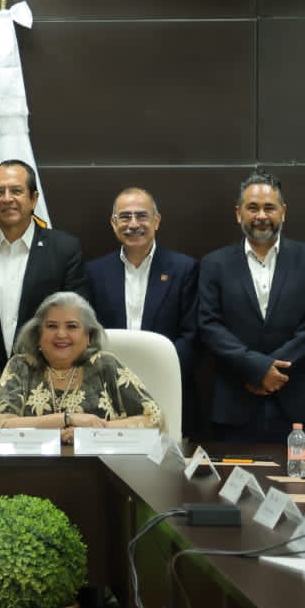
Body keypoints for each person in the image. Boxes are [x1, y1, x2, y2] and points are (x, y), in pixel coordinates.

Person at [0, 160, 91, 424]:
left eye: (16, 191)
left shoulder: (64, 250)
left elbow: (77, 322)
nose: (7, 199)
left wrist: (39, 381)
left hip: (51, 394)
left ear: (33, 198)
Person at [198, 173, 305, 444]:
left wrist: (271, 370)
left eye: (269, 207)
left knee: (298, 474)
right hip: (235, 400)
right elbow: (209, 325)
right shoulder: (214, 263)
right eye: (252, 208)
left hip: (297, 401)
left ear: (283, 212)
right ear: (238, 213)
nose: (261, 216)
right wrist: (256, 368)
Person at [86, 187, 200, 437]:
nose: (133, 224)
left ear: (156, 221)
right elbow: (89, 336)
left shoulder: (184, 269)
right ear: (113, 223)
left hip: (167, 389)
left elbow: (192, 335)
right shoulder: (94, 272)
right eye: (125, 217)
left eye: (141, 216)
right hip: (109, 395)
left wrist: (162, 374)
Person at [0, 291, 163, 440]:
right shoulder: (21, 366)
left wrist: (96, 431)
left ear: (88, 336)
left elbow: (154, 419)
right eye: (51, 326)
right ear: (38, 334)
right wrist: (66, 419)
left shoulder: (105, 364)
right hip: (33, 466)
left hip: (98, 465)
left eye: (72, 326)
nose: (61, 334)